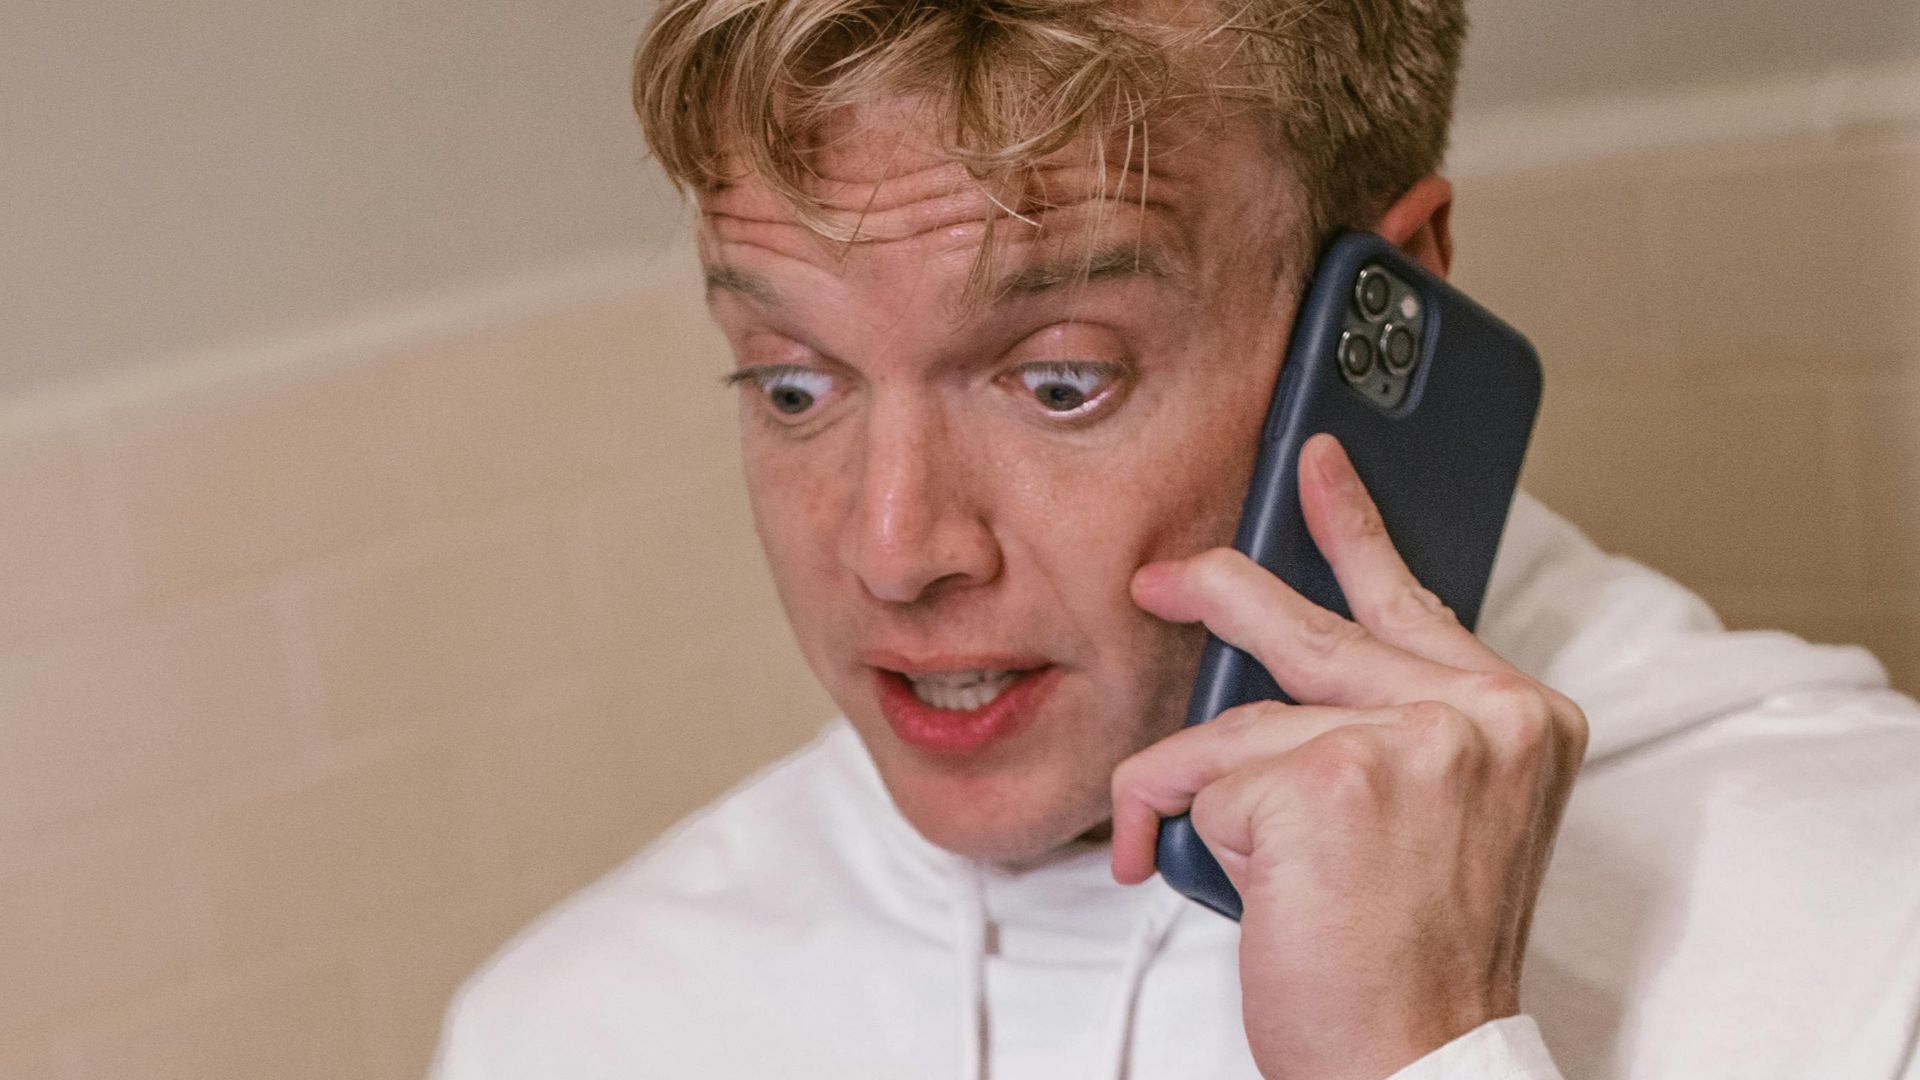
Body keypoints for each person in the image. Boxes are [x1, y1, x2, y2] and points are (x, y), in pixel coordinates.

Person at [430, 1, 1920, 1076]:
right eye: (795, 383)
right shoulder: (567, 1024)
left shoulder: (1872, 919)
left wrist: (1426, 1063)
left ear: (1388, 308)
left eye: (1061, 379)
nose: (894, 550)